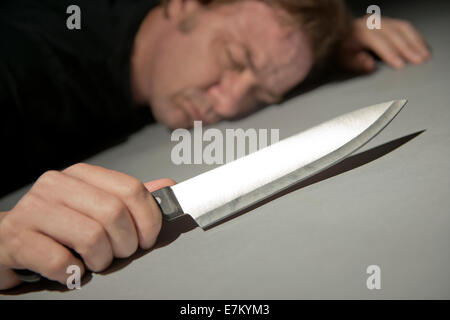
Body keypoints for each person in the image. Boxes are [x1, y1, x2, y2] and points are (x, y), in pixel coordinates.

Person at [0, 0, 430, 290]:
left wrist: (330, 37)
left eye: (261, 94)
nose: (227, 104)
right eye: (235, 59)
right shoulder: (24, 62)